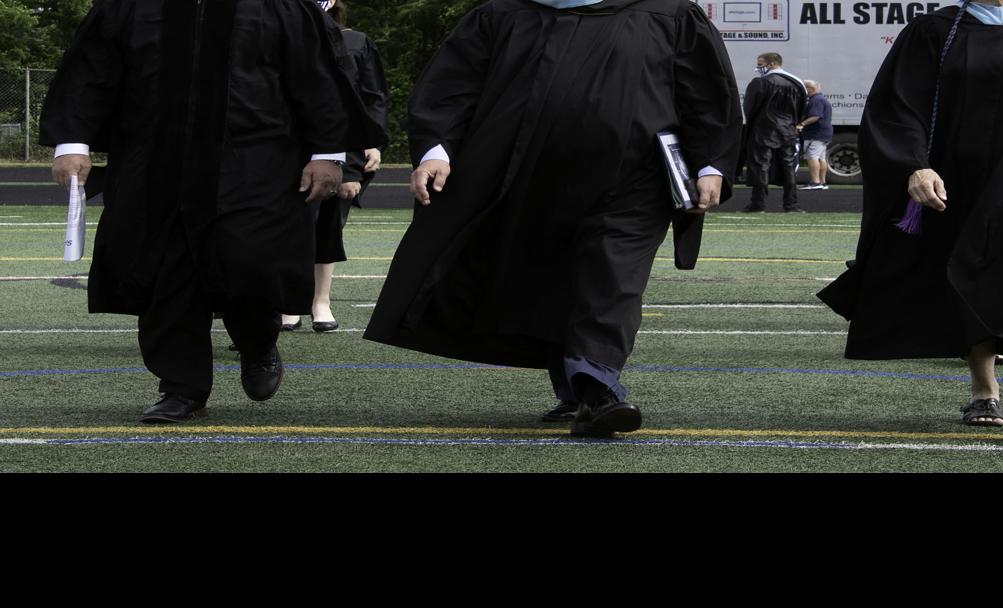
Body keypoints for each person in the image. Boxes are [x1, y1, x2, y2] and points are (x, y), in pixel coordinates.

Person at [363, 0, 741, 437]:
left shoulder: (668, 13)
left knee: (612, 272)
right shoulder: (505, 12)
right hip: (524, 175)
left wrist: (711, 163)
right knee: (547, 277)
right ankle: (577, 386)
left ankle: (597, 386)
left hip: (635, 178)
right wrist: (436, 148)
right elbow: (453, 85)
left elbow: (706, 91)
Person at [41, 0, 385, 423]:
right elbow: (91, 69)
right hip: (157, 163)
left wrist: (329, 152)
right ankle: (181, 388)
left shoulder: (283, 6)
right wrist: (71, 142)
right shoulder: (130, 5)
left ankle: (258, 342)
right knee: (167, 274)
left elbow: (317, 74)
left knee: (252, 261)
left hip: (257, 161)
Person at [816, 0, 1003, 443]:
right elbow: (899, 108)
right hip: (959, 178)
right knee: (969, 273)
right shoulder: (935, 30)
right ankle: (984, 388)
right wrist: (913, 166)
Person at [283, 0, 392, 334]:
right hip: (286, 150)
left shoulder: (356, 43)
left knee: (329, 227)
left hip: (343, 150)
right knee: (288, 229)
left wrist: (361, 156)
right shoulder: (279, 35)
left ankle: (321, 301)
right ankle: (287, 303)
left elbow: (371, 99)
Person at [741, 52, 807, 213]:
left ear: (771, 64)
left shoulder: (761, 83)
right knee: (789, 167)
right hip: (788, 130)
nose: (758, 67)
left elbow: (749, 108)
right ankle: (791, 205)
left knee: (761, 167)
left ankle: (758, 204)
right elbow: (802, 108)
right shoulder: (796, 83)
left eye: (760, 64)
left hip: (763, 130)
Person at [797, 80, 833, 190]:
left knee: (812, 157)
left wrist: (801, 124)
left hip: (815, 134)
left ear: (809, 89)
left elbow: (815, 116)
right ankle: (822, 182)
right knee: (821, 158)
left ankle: (815, 182)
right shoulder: (822, 99)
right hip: (824, 134)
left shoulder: (815, 100)